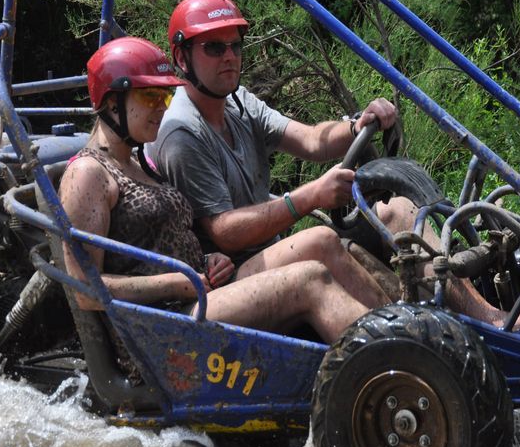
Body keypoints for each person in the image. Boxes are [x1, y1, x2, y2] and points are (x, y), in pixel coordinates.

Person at [147, 0, 520, 328]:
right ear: (182, 57)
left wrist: (357, 125)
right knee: (320, 238)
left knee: (399, 212)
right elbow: (224, 232)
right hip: (228, 274)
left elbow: (310, 140)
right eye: (214, 47)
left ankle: (491, 319)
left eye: (235, 45)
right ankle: (416, 341)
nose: (229, 57)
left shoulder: (236, 101)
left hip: (264, 252)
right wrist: (308, 198)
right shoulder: (183, 130)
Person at [58, 36, 390, 344]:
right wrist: (176, 282)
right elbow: (84, 289)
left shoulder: (135, 162)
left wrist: (205, 260)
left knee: (322, 239)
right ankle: (396, 360)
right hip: (162, 326)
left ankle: (401, 331)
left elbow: (160, 242)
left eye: (166, 95)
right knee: (309, 279)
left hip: (198, 297)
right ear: (113, 104)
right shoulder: (87, 173)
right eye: (150, 96)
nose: (162, 107)